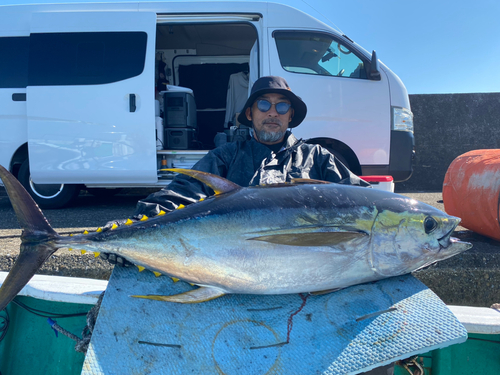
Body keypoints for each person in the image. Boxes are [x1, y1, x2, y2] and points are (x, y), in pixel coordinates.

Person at [102, 76, 370, 266]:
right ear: (251, 113)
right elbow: (179, 194)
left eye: (282, 106)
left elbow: (363, 201)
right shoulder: (225, 157)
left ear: (290, 117)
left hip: (308, 268)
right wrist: (131, 227)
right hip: (235, 269)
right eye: (264, 104)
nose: (273, 112)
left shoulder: (318, 157)